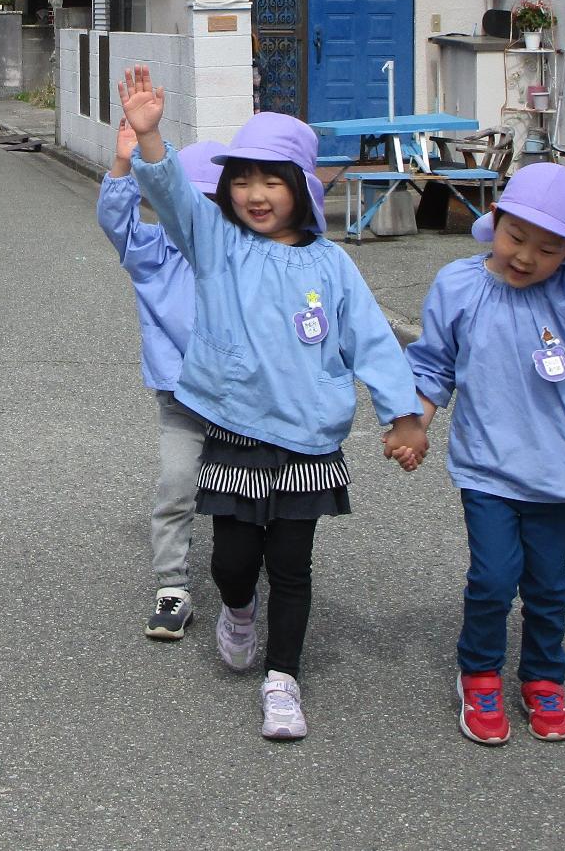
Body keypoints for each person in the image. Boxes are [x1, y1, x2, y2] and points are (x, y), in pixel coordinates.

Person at [117, 65, 427, 741]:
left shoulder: (333, 265)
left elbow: (372, 341)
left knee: (291, 568)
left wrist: (403, 415)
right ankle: (236, 612)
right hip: (231, 429)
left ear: (301, 189)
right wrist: (150, 140)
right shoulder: (217, 244)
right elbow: (172, 198)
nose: (256, 194)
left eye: (273, 180)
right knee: (232, 562)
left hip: (309, 440)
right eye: (244, 180)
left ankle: (282, 679)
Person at [399, 161, 565, 746]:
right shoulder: (458, 285)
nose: (525, 256)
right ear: (493, 219)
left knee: (549, 583)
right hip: (487, 467)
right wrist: (415, 424)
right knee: (494, 578)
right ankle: (480, 672)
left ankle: (545, 676)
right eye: (516, 236)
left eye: (548, 249)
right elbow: (433, 365)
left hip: (555, 471)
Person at [97, 118, 221, 640]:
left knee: (253, 498)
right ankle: (172, 585)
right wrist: (124, 162)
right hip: (182, 399)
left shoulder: (237, 258)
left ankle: (246, 586)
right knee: (176, 487)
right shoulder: (154, 253)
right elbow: (116, 222)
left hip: (245, 399)